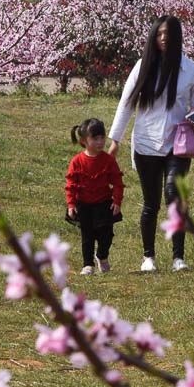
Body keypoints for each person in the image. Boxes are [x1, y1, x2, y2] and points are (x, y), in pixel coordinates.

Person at [108, 16, 194, 273]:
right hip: (146, 143)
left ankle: (178, 257)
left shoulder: (193, 71)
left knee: (174, 196)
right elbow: (126, 104)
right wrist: (115, 140)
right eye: (159, 34)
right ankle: (148, 256)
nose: (164, 38)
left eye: (169, 34)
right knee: (151, 202)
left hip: (179, 143)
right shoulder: (143, 66)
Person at [66, 118, 124, 276]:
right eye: (95, 139)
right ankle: (87, 264)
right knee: (87, 236)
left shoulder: (108, 160)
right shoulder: (77, 161)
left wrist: (117, 201)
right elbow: (71, 184)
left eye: (102, 138)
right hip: (83, 205)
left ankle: (102, 256)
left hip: (104, 203)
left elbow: (118, 183)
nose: (100, 142)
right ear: (84, 141)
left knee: (106, 234)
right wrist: (71, 205)